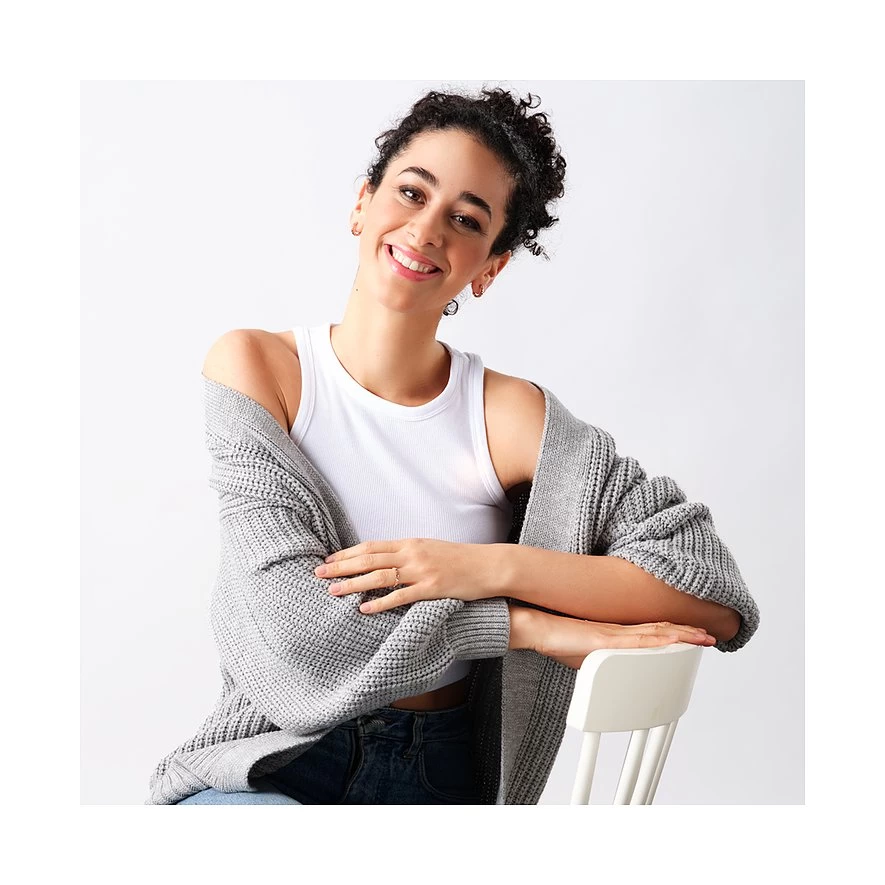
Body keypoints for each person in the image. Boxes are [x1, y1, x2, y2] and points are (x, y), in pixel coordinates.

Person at [181, 86, 720, 805]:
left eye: (466, 219)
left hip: (439, 775)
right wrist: (520, 624)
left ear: (490, 267)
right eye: (411, 192)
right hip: (276, 761)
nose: (426, 228)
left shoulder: (508, 416)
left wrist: (482, 567)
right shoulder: (257, 368)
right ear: (362, 203)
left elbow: (707, 592)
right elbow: (295, 634)